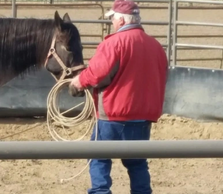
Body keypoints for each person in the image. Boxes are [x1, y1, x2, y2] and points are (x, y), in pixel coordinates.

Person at [69, 0, 168, 194]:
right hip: (142, 117)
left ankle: (100, 192)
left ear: (121, 20)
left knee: (98, 157)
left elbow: (98, 73)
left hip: (113, 115)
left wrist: (79, 82)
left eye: (113, 18)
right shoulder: (156, 46)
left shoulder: (114, 43)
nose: (112, 22)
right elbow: (163, 77)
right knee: (138, 163)